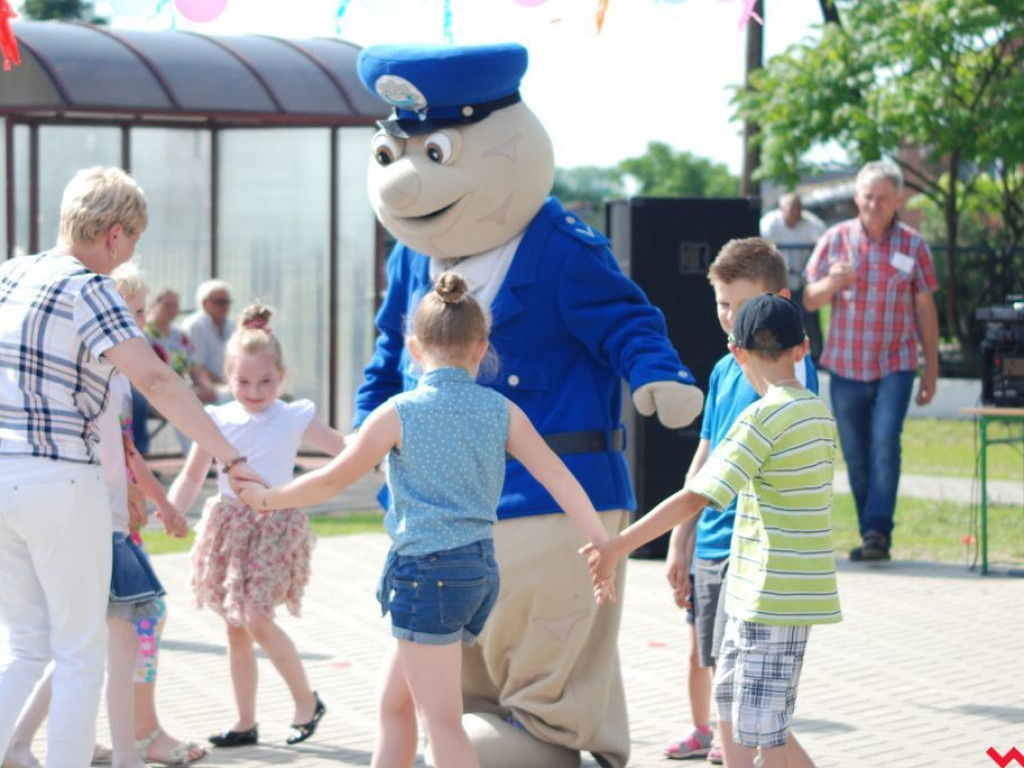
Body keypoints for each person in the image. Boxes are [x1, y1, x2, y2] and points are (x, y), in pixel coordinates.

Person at [235, 272, 614, 768]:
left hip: (426, 577)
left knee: (441, 722)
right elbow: (558, 476)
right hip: (476, 574)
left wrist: (267, 499)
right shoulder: (501, 410)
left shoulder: (399, 412)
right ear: (481, 348)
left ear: (413, 349)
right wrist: (602, 540)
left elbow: (333, 479)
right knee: (394, 703)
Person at [0, 166, 259, 768]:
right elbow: (154, 378)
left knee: (28, 646)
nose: (130, 253)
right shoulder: (92, 288)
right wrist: (230, 455)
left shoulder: (9, 274)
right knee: (79, 652)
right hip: (60, 479)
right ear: (114, 234)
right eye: (133, 240)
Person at [587, 293, 842, 768]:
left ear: (736, 352)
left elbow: (695, 496)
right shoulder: (818, 414)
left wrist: (618, 544)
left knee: (766, 731)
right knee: (734, 705)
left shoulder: (761, 419)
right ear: (803, 349)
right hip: (776, 593)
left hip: (770, 596)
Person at [1, 263, 205, 768]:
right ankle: (126, 748)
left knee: (71, 646)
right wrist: (151, 502)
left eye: (139, 313)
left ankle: (36, 742)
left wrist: (155, 500)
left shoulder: (109, 377)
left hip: (102, 520)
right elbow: (120, 454)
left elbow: (125, 453)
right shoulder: (105, 378)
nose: (136, 324)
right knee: (105, 642)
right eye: (128, 313)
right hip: (101, 527)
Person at [662, 238, 819, 764]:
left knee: (753, 709)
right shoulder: (725, 367)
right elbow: (704, 458)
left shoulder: (785, 374)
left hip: (755, 552)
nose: (730, 318)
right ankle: (721, 742)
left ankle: (732, 748)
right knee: (718, 671)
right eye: (722, 304)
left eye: (742, 305)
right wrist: (680, 540)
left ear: (779, 302)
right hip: (709, 541)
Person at [168, 304, 346, 749]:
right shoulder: (216, 419)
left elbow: (347, 451)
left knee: (256, 618)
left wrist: (388, 449)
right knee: (235, 625)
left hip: (275, 525)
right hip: (229, 526)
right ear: (228, 378)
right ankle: (245, 721)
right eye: (243, 381)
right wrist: (173, 510)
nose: (254, 391)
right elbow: (192, 475)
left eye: (265, 381)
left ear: (281, 377)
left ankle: (306, 702)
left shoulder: (294, 416)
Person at [803, 160, 940, 562]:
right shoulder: (835, 239)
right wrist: (832, 282)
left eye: (882, 198)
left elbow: (925, 307)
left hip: (896, 364)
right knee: (856, 453)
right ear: (856, 197)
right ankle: (870, 534)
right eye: (867, 197)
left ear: (898, 200)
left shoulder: (913, 245)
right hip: (846, 366)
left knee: (884, 443)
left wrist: (931, 368)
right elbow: (809, 298)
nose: (874, 205)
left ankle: (878, 529)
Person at [144, 288, 218, 454]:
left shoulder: (180, 335)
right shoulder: (144, 335)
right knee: (182, 406)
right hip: (155, 393)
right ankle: (197, 456)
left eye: (175, 305)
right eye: (167, 305)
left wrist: (205, 386)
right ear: (153, 305)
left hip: (183, 390)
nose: (172, 309)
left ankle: (216, 454)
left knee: (217, 400)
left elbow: (194, 366)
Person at [759, 194, 827, 361]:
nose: (795, 213)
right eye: (791, 210)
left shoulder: (811, 222)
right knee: (774, 315)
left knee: (810, 315)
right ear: (782, 209)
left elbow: (823, 241)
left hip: (802, 279)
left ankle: (817, 354)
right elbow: (762, 244)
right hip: (777, 279)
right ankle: (773, 351)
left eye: (798, 209)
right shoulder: (770, 223)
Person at [180, 280, 234, 393]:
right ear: (205, 303)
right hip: (204, 389)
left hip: (230, 386)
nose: (225, 306)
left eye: (227, 302)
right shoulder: (194, 326)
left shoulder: (231, 325)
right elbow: (196, 365)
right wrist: (222, 385)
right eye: (219, 302)